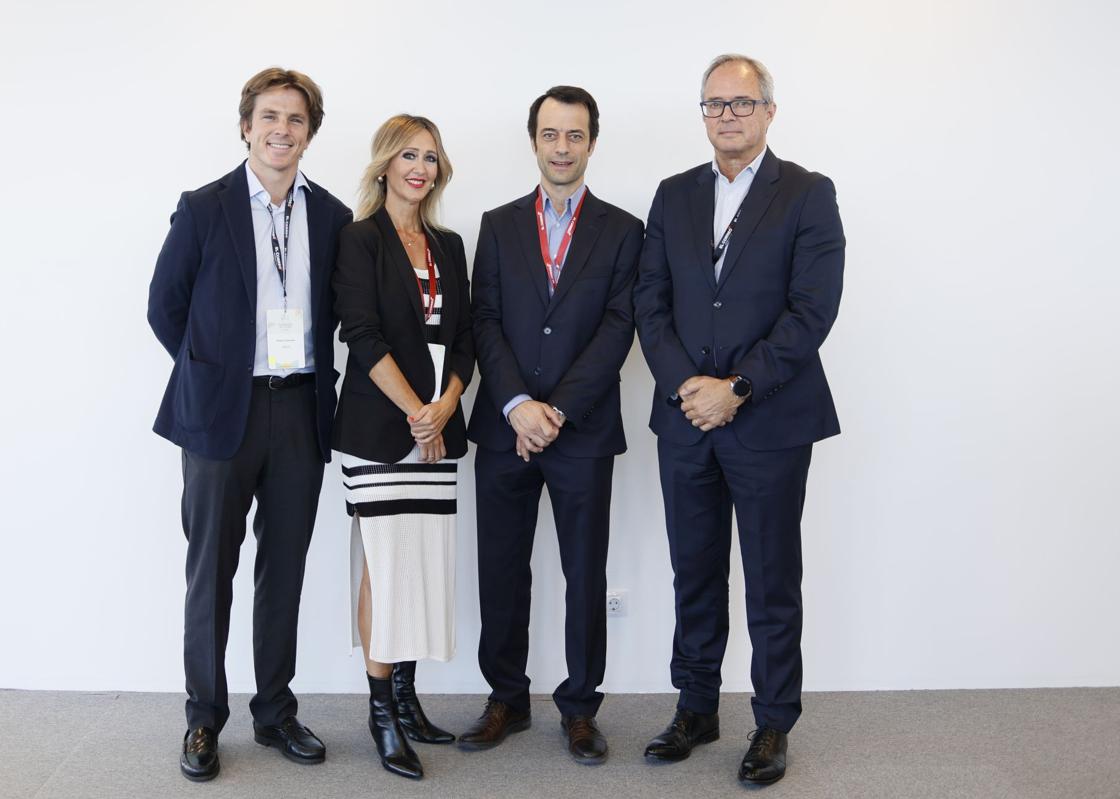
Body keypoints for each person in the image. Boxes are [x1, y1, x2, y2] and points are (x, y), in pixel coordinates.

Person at [633, 54, 845, 786]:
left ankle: (773, 721)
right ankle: (696, 706)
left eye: (742, 103)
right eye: (714, 104)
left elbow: (811, 311)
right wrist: (690, 384)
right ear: (703, 114)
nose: (728, 115)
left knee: (769, 578)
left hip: (770, 422)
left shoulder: (808, 194)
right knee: (693, 572)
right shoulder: (673, 195)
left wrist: (739, 387)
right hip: (687, 418)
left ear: (769, 112)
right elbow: (649, 301)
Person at [148, 67, 352, 782]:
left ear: (308, 133)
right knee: (211, 571)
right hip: (218, 416)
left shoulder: (330, 215)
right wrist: (212, 371)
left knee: (284, 567)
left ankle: (275, 711)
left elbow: (336, 311)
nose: (281, 130)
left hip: (298, 409)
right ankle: (204, 717)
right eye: (269, 116)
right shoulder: (204, 208)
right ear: (246, 126)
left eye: (296, 119)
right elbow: (164, 306)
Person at [462, 86, 643, 765]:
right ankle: (505, 697)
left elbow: (618, 327)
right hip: (506, 429)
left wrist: (558, 408)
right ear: (533, 140)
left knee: (583, 570)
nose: (561, 147)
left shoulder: (625, 230)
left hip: (583, 431)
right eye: (550, 134)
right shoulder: (500, 223)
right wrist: (517, 405)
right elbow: (485, 319)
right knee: (502, 569)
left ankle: (579, 706)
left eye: (574, 135)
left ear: (591, 142)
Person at [331, 114, 474, 780]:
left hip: (436, 429)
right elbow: (360, 334)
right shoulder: (360, 240)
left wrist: (446, 404)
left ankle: (408, 698)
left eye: (431, 156)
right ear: (385, 163)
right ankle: (381, 710)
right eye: (408, 154)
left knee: (421, 563)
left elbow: (466, 338)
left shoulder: (447, 245)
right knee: (385, 567)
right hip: (379, 429)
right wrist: (418, 410)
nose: (420, 166)